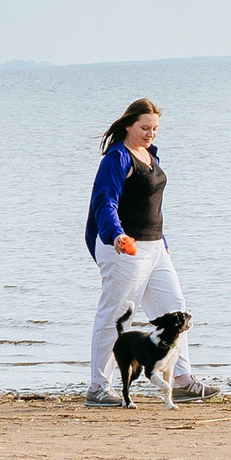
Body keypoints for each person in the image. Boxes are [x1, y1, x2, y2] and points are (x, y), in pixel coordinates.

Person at [83, 98, 209, 404]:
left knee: (176, 308)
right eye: (144, 127)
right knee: (116, 316)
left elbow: (149, 206)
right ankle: (99, 387)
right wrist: (115, 235)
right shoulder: (117, 158)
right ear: (128, 125)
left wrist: (162, 244)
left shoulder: (150, 154)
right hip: (124, 248)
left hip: (155, 249)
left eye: (154, 128)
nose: (150, 133)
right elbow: (105, 202)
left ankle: (181, 379)